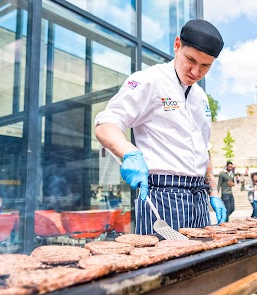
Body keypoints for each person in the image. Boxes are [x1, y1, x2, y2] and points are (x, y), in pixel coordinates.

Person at [95, 19, 227, 233]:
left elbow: (204, 149)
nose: (195, 71)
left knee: (204, 264)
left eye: (205, 66)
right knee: (165, 265)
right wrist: (130, 153)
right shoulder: (149, 81)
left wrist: (213, 192)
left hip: (199, 198)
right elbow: (105, 123)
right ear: (177, 46)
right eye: (190, 59)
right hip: (162, 197)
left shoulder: (201, 97)